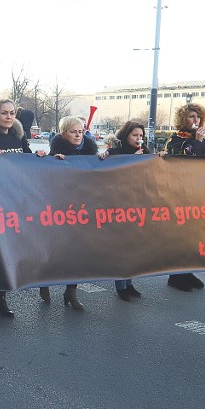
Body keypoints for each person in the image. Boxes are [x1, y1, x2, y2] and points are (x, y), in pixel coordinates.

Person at [0, 99, 46, 317]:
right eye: (4, 113)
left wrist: (38, 157)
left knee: (10, 250)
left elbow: (26, 162)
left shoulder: (18, 137)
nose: (9, 117)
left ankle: (0, 297)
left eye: (12, 113)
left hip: (13, 200)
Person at [44, 116, 105, 310]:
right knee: (55, 249)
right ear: (64, 134)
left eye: (80, 132)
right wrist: (53, 162)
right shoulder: (55, 154)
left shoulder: (89, 152)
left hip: (81, 207)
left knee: (77, 251)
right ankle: (43, 281)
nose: (78, 135)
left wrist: (102, 160)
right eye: (73, 132)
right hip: (59, 207)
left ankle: (71, 291)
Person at [161, 103, 205, 292]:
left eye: (198, 117)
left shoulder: (200, 139)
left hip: (196, 193)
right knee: (180, 236)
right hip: (179, 194)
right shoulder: (174, 139)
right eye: (191, 116)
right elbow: (182, 160)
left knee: (193, 236)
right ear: (183, 119)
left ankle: (187, 271)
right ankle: (175, 276)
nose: (196, 120)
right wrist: (198, 141)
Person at [103, 119, 149, 301]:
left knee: (134, 246)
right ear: (126, 135)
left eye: (141, 136)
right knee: (121, 247)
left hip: (137, 203)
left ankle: (129, 282)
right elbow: (111, 177)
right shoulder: (115, 152)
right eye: (135, 135)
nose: (139, 139)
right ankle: (120, 285)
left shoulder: (144, 152)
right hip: (118, 204)